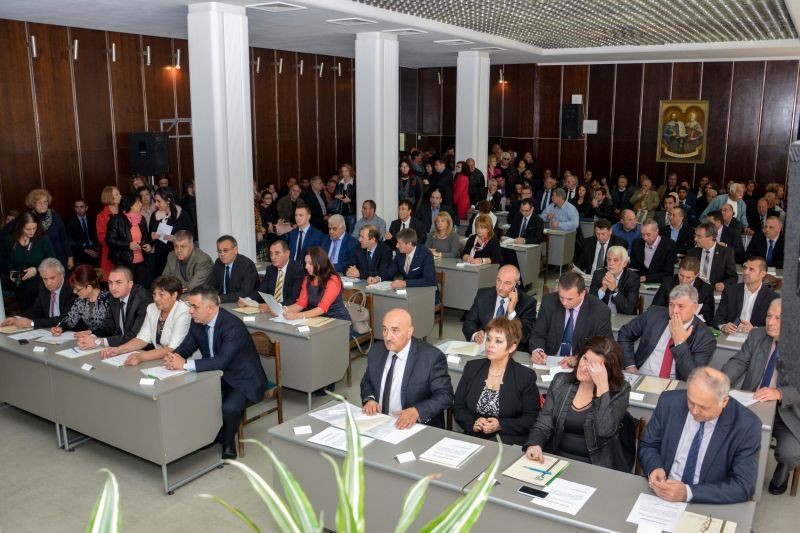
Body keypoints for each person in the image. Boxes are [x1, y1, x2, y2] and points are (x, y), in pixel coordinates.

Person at [164, 285, 269, 460]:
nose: (190, 311)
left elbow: (222, 361)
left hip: (241, 378)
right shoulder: (197, 320)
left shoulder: (232, 326)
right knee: (191, 396)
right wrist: (174, 356)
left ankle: (228, 442)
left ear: (211, 308)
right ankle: (208, 434)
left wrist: (184, 364)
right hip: (214, 375)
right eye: (190, 306)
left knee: (229, 407)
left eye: (194, 306)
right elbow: (188, 345)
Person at [638, 367, 761, 504]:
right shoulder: (669, 402)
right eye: (691, 402)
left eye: (703, 407)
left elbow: (743, 485)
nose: (695, 411)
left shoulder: (746, 425)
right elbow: (649, 444)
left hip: (706, 499)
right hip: (662, 491)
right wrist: (654, 467)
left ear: (724, 402)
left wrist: (688, 493)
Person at [721, 299, 797, 494]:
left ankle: (781, 476)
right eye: (769, 316)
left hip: (788, 412)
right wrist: (720, 381)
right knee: (723, 428)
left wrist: (779, 392)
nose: (770, 322)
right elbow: (739, 362)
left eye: (778, 318)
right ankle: (733, 472)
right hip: (753, 401)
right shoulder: (757, 335)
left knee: (789, 453)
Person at [524, 336, 632, 471]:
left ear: (607, 372)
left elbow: (604, 430)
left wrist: (602, 386)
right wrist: (535, 443)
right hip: (556, 461)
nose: (583, 367)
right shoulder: (561, 381)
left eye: (593, 366)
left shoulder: (620, 391)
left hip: (597, 467)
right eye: (585, 359)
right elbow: (544, 423)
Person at [360, 308, 454, 428]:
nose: (388, 337)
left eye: (395, 330)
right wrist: (370, 399)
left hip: (414, 426)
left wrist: (417, 411)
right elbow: (367, 381)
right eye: (385, 329)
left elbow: (445, 395)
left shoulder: (431, 357)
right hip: (379, 423)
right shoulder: (376, 350)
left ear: (409, 332)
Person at [454, 317, 540, 446]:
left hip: (507, 439)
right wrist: (473, 423)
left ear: (512, 347)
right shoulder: (472, 368)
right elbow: (458, 407)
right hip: (474, 437)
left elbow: (531, 417)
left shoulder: (525, 376)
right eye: (489, 339)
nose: (490, 345)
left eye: (498, 341)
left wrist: (501, 425)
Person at [618, 284, 716, 380]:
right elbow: (625, 333)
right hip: (642, 375)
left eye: (681, 306)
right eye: (671, 305)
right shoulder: (653, 314)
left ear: (694, 308)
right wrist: (630, 365)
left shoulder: (706, 338)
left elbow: (692, 377)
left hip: (675, 384)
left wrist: (679, 343)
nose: (674, 311)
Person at [100, 275, 191, 367]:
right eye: (154, 294)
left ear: (174, 295)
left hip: (183, 362)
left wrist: (141, 357)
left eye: (161, 294)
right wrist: (118, 350)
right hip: (161, 361)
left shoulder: (183, 312)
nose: (156, 299)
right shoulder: (152, 308)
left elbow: (172, 348)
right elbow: (142, 339)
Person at [529, 272, 612, 363]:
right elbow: (538, 333)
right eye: (561, 297)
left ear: (582, 293)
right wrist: (538, 351)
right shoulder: (549, 301)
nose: (564, 303)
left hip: (581, 364)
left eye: (570, 299)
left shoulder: (600, 311)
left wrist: (580, 359)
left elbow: (605, 346)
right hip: (549, 360)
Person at [75, 266, 151, 350]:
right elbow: (109, 326)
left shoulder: (142, 300)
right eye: (110, 283)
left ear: (130, 284)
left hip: (142, 350)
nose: (113, 287)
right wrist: (92, 335)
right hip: (120, 348)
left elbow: (134, 335)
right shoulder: (113, 296)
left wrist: (98, 341)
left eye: (118, 282)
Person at [463, 265, 537, 348]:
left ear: (517, 285)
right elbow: (469, 323)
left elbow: (526, 337)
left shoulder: (528, 303)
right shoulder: (483, 294)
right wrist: (475, 335)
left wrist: (511, 312)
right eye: (498, 280)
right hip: (483, 347)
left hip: (509, 350)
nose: (500, 287)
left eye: (507, 283)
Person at [282, 246, 352, 327]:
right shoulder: (307, 279)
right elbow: (301, 303)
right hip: (318, 319)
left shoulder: (333, 280)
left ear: (320, 263)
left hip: (338, 321)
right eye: (306, 263)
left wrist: (298, 315)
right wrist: (283, 309)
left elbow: (322, 308)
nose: (306, 266)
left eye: (310, 263)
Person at [1, 258, 75, 330]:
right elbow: (36, 310)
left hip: (70, 331)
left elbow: (65, 319)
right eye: (45, 279)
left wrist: (32, 323)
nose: (48, 283)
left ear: (62, 275)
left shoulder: (72, 289)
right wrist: (17, 318)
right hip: (50, 331)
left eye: (52, 278)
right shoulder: (43, 287)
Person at [368, 229, 438, 301]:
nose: (397, 246)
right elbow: (390, 271)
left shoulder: (425, 254)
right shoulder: (399, 253)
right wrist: (378, 278)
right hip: (409, 293)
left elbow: (429, 280)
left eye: (399, 243)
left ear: (409, 244)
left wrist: (404, 283)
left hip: (427, 294)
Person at [713, 256, 779, 333]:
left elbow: (777, 326)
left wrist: (755, 330)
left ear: (762, 274)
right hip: (731, 335)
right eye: (745, 268)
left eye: (751, 269)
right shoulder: (730, 291)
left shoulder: (773, 297)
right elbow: (718, 318)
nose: (745, 272)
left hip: (757, 338)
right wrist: (724, 326)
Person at [7, 212, 57, 310]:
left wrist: (36, 269)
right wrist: (11, 271)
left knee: (41, 314)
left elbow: (53, 262)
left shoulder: (43, 239)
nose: (32, 232)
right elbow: (8, 259)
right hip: (20, 286)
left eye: (34, 228)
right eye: (28, 229)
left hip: (40, 285)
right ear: (20, 227)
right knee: (25, 315)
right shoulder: (11, 239)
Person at [50, 265, 116, 338]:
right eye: (74, 289)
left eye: (77, 289)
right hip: (89, 340)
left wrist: (91, 332)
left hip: (108, 341)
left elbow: (110, 328)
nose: (74, 292)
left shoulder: (108, 300)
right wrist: (61, 328)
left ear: (89, 287)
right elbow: (70, 319)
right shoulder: (80, 300)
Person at [652, 256, 715, 325]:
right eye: (681, 275)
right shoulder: (668, 282)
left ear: (696, 275)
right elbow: (655, 308)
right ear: (678, 271)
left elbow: (708, 318)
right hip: (667, 322)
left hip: (693, 327)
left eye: (688, 277)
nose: (684, 280)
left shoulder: (706, 289)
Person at [242, 240, 303, 311]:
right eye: (271, 254)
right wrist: (247, 300)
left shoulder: (297, 270)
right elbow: (261, 291)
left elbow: (294, 298)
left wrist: (275, 306)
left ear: (287, 254)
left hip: (288, 310)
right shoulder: (270, 269)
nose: (273, 257)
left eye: (277, 253)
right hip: (270, 311)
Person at [106, 194, 152, 287]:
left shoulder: (142, 219)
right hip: (124, 261)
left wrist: (148, 245)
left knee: (141, 288)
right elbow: (110, 240)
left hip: (141, 261)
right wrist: (128, 245)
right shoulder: (117, 219)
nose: (141, 204)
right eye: (138, 202)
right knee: (126, 288)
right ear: (130, 205)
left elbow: (145, 238)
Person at [148, 188, 195, 277]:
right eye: (155, 201)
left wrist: (176, 238)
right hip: (160, 256)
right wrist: (151, 237)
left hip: (178, 255)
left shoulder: (182, 214)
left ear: (168, 201)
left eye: (159, 201)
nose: (156, 204)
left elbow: (191, 234)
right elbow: (150, 235)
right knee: (162, 280)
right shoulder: (155, 215)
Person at [26, 189, 73, 270]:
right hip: (39, 260)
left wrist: (70, 257)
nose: (43, 205)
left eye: (45, 202)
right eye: (40, 202)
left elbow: (64, 239)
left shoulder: (56, 217)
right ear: (33, 204)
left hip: (59, 258)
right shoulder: (29, 219)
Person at [206, 235, 259, 304]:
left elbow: (245, 293)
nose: (222, 254)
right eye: (219, 251)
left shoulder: (247, 265)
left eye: (225, 250)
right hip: (222, 302)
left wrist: (220, 298)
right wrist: (206, 295)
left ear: (235, 250)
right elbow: (212, 285)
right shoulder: (218, 262)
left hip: (241, 303)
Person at [589, 245, 641, 315]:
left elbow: (629, 309)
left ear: (624, 263)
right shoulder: (598, 274)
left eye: (615, 260)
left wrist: (614, 289)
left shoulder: (633, 278)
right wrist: (603, 289)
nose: (611, 263)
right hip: (602, 316)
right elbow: (590, 304)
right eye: (609, 259)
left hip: (623, 317)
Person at [687, 222, 738, 291]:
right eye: (695, 235)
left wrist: (724, 284)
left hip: (714, 291)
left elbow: (733, 277)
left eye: (699, 236)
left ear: (710, 238)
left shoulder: (726, 253)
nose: (695, 239)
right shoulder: (692, 252)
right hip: (694, 289)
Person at [96, 185, 122, 279]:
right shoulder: (101, 216)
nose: (120, 196)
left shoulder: (124, 212)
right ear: (109, 197)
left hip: (126, 255)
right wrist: (120, 242)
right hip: (110, 255)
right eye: (117, 194)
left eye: (119, 194)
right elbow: (102, 238)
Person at [65, 198, 99, 267]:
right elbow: (70, 242)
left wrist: (97, 251)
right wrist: (86, 250)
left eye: (81, 207)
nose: (79, 209)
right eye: (76, 207)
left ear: (86, 208)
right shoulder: (70, 222)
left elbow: (97, 236)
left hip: (94, 249)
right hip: (80, 252)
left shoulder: (93, 218)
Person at [333, 164, 357, 232]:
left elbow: (359, 199)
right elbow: (333, 194)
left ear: (350, 171)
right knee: (342, 232)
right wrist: (336, 196)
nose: (344, 173)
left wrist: (350, 200)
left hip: (352, 213)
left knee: (352, 232)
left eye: (346, 171)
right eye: (342, 171)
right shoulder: (339, 183)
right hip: (341, 213)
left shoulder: (355, 183)